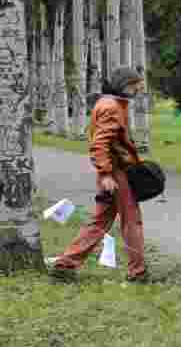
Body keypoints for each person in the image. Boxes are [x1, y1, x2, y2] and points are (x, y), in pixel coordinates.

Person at [47, 67, 149, 282]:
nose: (138, 89)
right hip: (116, 173)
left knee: (100, 221)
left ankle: (65, 264)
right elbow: (99, 144)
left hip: (112, 172)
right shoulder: (111, 107)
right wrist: (106, 174)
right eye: (134, 85)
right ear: (123, 85)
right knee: (132, 221)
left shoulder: (108, 103)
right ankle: (138, 272)